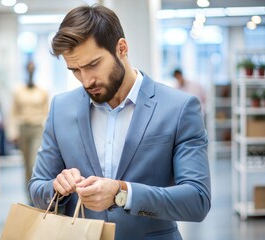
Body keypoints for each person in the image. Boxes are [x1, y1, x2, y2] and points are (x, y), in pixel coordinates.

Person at [28, 4, 211, 239]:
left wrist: (122, 193)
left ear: (121, 48)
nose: (86, 80)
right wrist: (57, 187)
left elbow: (197, 200)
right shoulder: (61, 108)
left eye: (93, 65)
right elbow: (37, 186)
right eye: (75, 70)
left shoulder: (179, 108)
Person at [9, 60, 49, 194]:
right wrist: (13, 132)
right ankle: (28, 193)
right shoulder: (18, 90)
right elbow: (13, 112)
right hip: (23, 128)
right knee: (26, 163)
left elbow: (46, 112)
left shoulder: (42, 91)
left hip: (37, 128)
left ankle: (35, 193)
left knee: (33, 162)